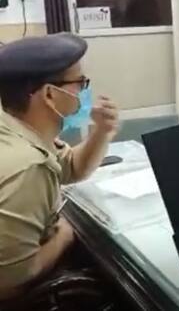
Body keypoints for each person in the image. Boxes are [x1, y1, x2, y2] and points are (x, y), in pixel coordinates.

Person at [0, 33, 119, 299]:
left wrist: (101, 132)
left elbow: (71, 167)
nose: (85, 92)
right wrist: (64, 235)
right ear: (50, 94)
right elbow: (8, 283)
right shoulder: (27, 167)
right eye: (80, 83)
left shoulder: (15, 126)